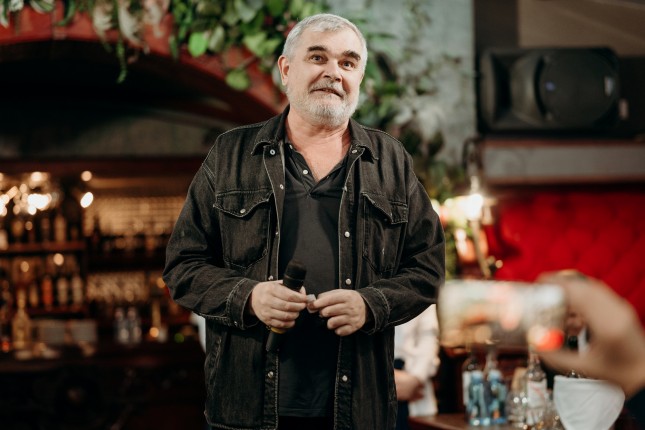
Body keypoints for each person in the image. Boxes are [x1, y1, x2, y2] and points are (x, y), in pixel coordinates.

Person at [162, 13, 445, 430]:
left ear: (359, 77)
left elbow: (429, 269)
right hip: (248, 409)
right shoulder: (231, 154)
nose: (334, 72)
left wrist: (371, 305)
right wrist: (249, 297)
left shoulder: (390, 160)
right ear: (286, 69)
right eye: (318, 57)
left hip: (359, 410)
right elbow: (182, 267)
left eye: (348, 62)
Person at [537, 271, 645, 428]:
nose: (570, 322)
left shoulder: (604, 340)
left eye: (573, 315)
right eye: (565, 316)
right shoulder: (552, 342)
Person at [393, 304, 440, 430]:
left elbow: (429, 336)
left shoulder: (422, 294)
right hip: (375, 373)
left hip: (412, 377)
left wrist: (415, 379)